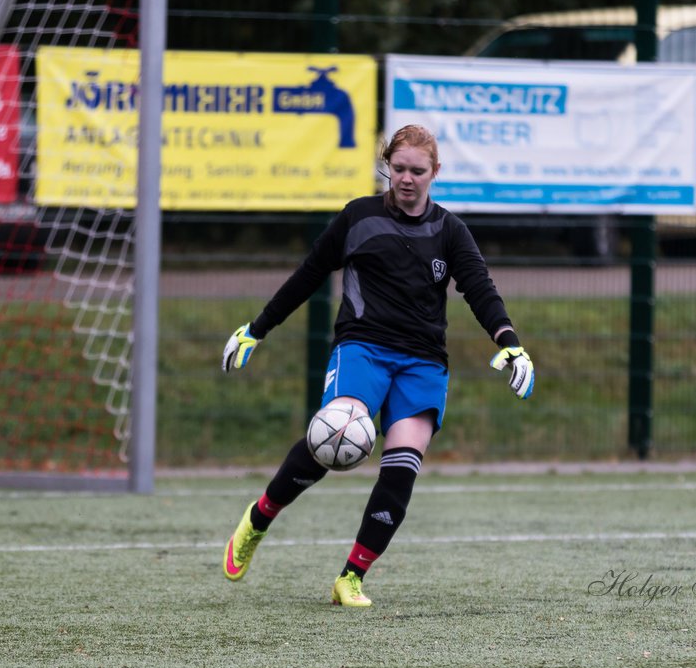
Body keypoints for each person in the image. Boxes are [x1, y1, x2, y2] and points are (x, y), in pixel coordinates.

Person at [219, 124, 535, 607]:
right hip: (362, 348)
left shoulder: (449, 229)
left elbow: (480, 288)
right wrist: (257, 329)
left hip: (424, 363)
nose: (406, 179)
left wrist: (510, 344)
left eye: (418, 171)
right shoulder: (358, 217)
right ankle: (259, 518)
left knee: (401, 466)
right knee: (333, 438)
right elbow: (307, 275)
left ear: (435, 173)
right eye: (399, 168)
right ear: (388, 165)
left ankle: (351, 577)